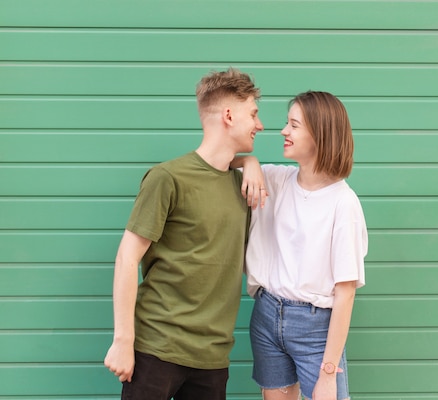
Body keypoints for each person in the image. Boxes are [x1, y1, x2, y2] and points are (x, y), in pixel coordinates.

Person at [104, 67, 266, 400]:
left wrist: (250, 162)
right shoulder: (168, 178)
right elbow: (126, 258)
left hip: (212, 358)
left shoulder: (244, 186)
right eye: (253, 114)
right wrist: (123, 341)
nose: (260, 125)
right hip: (157, 349)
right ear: (228, 115)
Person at [234, 91, 368, 400]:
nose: (283, 131)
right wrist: (250, 161)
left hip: (316, 329)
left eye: (293, 125)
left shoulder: (343, 203)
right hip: (267, 315)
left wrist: (329, 372)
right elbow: (219, 159)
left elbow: (345, 293)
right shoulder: (276, 180)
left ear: (319, 134)